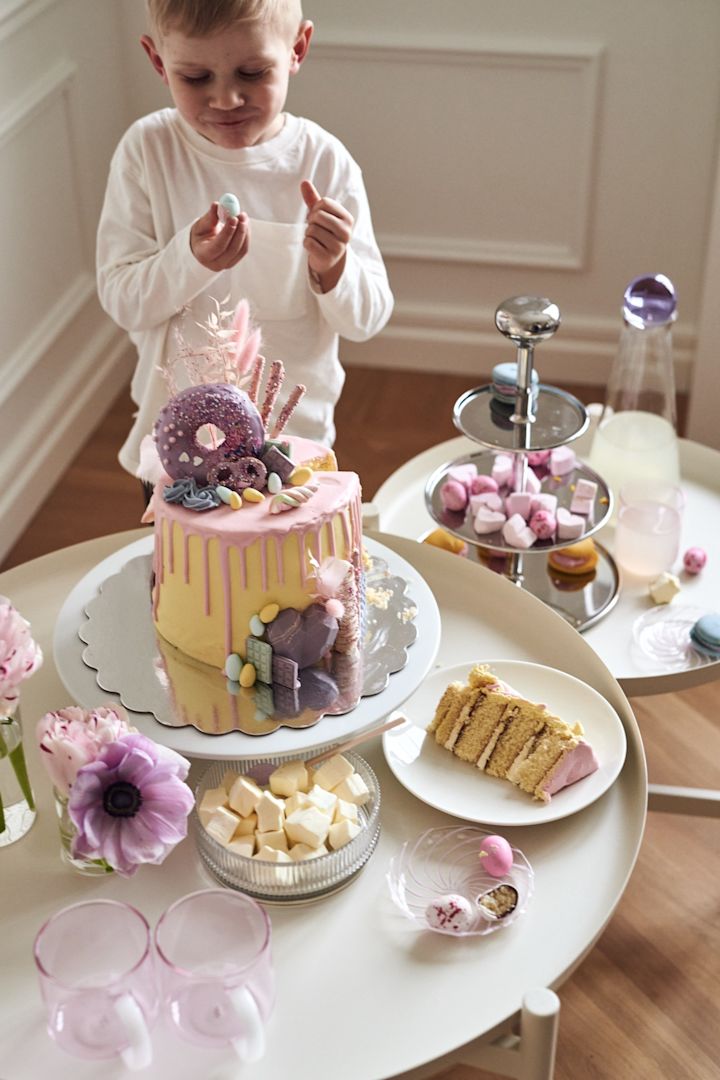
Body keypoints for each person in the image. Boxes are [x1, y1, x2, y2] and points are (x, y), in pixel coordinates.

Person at [96, 0, 393, 480]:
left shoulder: (324, 163)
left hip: (291, 448)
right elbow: (124, 301)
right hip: (176, 453)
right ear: (157, 62)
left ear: (297, 49)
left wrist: (333, 266)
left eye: (252, 72)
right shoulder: (147, 152)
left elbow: (367, 319)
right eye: (195, 78)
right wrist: (191, 260)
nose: (227, 99)